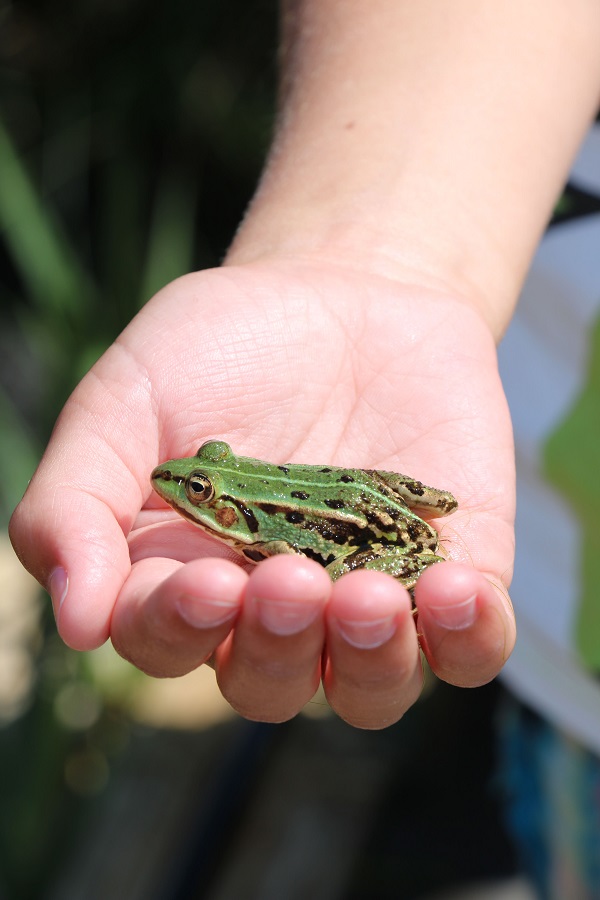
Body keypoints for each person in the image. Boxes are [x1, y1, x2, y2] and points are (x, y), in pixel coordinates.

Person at [8, 2, 600, 893]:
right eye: (204, 486)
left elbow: (302, 552)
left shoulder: (263, 535)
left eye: (202, 496)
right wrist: (368, 256)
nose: (187, 492)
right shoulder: (242, 518)